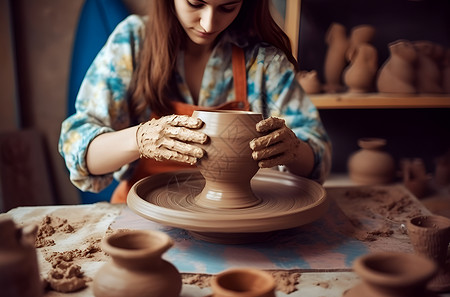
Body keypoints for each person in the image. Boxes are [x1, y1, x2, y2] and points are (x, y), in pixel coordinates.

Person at [59, 0, 332, 204]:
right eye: (195, 3)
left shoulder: (262, 60)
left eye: (227, 7)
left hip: (236, 216)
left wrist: (293, 148)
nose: (208, 23)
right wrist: (140, 139)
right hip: (144, 214)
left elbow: (318, 155)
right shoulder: (132, 41)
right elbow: (78, 146)